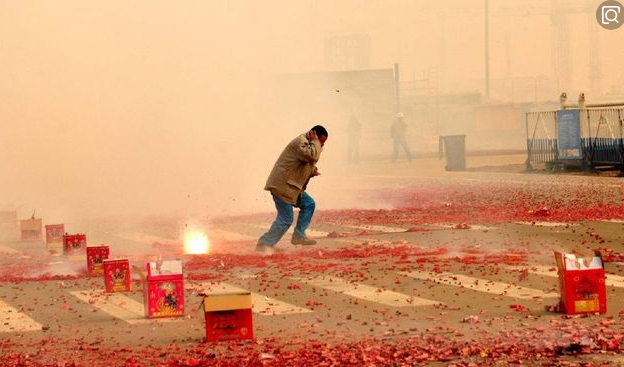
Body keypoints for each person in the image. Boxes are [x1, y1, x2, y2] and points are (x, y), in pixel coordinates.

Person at [256, 125, 329, 253]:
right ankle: (264, 244)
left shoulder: (311, 145)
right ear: (313, 134)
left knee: (309, 204)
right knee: (286, 219)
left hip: (293, 187)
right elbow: (312, 156)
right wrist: (316, 142)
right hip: (282, 186)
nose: (321, 145)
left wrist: (311, 171)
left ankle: (299, 235)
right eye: (321, 140)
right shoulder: (301, 142)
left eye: (323, 142)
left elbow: (305, 162)